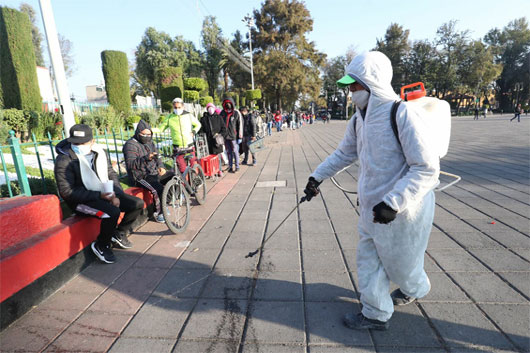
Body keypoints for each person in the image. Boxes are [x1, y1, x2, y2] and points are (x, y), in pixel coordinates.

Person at [304, 51, 440, 331]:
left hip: (404, 212)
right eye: (349, 87)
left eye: (354, 86)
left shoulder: (402, 114)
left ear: (371, 83)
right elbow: (344, 153)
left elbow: (426, 168)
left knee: (403, 266)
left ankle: (416, 287)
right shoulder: (359, 120)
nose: (350, 92)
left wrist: (393, 202)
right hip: (370, 209)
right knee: (368, 260)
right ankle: (376, 313)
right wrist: (317, 177)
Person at [54, 124, 144, 264]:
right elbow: (67, 192)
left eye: (83, 143)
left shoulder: (99, 153)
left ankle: (119, 234)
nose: (79, 146)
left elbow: (111, 174)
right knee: (112, 212)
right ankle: (102, 245)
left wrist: (116, 194)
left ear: (92, 141)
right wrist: (100, 196)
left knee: (137, 204)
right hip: (81, 202)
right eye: (75, 143)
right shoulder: (64, 160)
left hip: (105, 193)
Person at [122, 119, 173, 223]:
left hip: (153, 172)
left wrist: (161, 166)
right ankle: (159, 213)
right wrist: (145, 158)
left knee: (172, 177)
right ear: (138, 133)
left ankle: (165, 202)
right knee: (158, 189)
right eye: (144, 134)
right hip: (140, 176)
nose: (147, 137)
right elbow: (131, 164)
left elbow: (157, 156)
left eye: (149, 134)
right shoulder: (130, 145)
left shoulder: (150, 142)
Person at [160, 97, 201, 174]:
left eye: (179, 107)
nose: (177, 109)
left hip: (189, 145)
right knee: (182, 169)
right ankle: (185, 184)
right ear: (173, 107)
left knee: (193, 165)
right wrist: (149, 130)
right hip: (178, 147)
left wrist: (193, 131)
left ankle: (196, 180)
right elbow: (160, 129)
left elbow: (198, 124)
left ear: (183, 107)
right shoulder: (169, 118)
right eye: (175, 107)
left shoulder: (189, 115)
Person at [200, 103, 227, 175]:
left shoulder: (219, 117)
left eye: (211, 107)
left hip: (217, 140)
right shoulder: (204, 118)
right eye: (208, 107)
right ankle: (212, 170)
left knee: (218, 156)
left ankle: (219, 170)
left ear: (214, 108)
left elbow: (224, 129)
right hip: (208, 141)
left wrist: (220, 135)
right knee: (210, 157)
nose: (210, 109)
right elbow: (201, 129)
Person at [220, 98, 243, 173]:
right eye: (226, 103)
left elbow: (240, 124)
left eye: (229, 103)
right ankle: (230, 166)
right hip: (225, 136)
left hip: (233, 136)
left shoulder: (236, 113)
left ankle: (237, 166)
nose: (228, 105)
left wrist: (240, 135)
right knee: (228, 152)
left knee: (235, 151)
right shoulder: (222, 113)